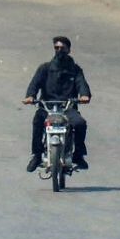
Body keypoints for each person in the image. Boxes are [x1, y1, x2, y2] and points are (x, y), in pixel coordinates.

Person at [23, 36, 91, 171]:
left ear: (69, 50)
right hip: (47, 108)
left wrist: (84, 95)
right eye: (56, 48)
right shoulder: (45, 68)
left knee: (80, 123)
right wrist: (30, 96)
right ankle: (36, 156)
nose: (59, 51)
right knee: (37, 121)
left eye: (62, 48)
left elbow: (82, 84)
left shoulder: (75, 70)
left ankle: (78, 155)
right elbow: (34, 84)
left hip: (67, 108)